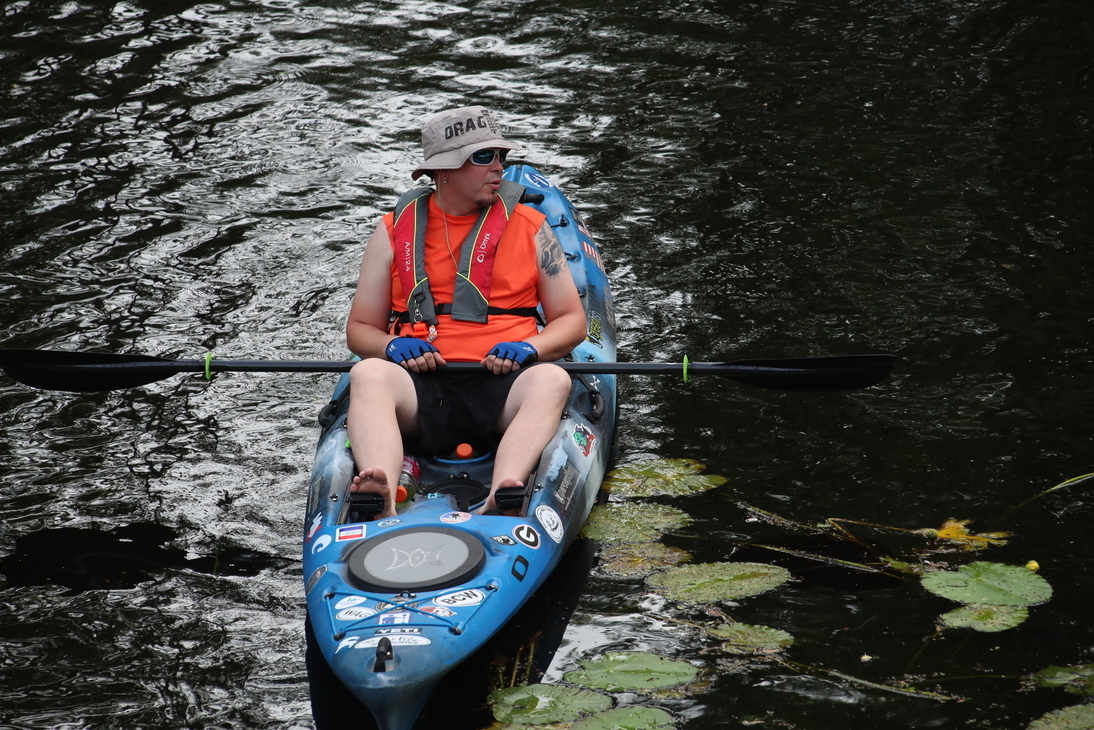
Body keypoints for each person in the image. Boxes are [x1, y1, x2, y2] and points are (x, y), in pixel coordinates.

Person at [343, 105, 587, 518]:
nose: (498, 168)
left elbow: (572, 322)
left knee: (551, 378)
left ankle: (504, 489)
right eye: (482, 158)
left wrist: (531, 349)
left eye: (500, 157)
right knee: (366, 372)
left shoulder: (531, 226)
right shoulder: (390, 233)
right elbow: (360, 330)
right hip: (420, 387)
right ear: (444, 172)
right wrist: (391, 346)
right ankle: (379, 492)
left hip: (503, 383)